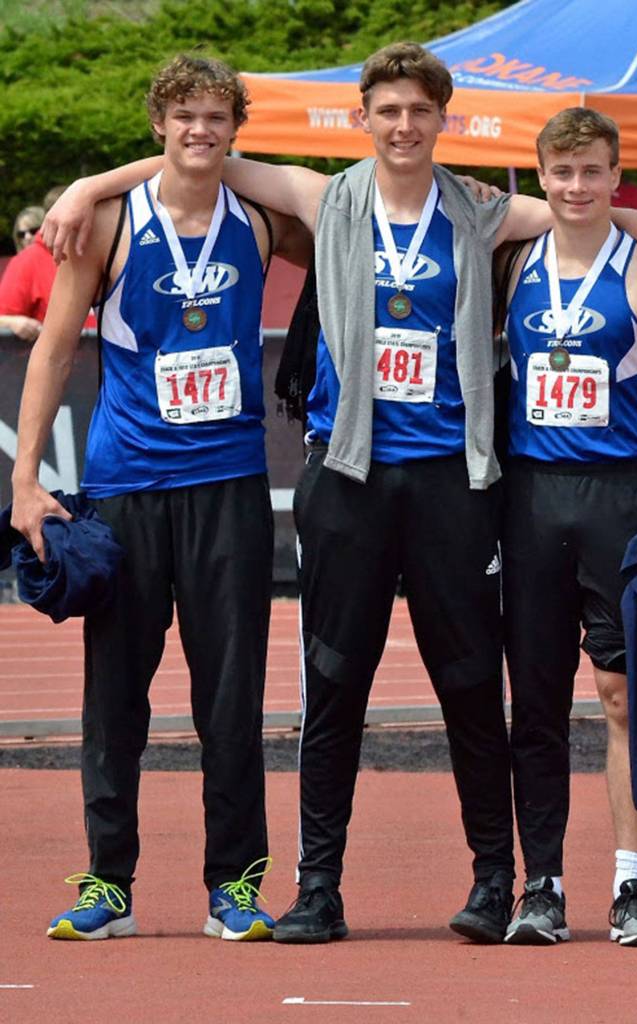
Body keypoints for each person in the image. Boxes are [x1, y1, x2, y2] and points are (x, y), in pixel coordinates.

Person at [43, 43, 637, 946]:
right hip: (347, 478)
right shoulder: (325, 199)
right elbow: (200, 155)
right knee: (334, 688)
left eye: (419, 112)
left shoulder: (480, 211)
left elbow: (587, 202)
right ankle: (318, 890)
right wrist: (87, 187)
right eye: (388, 111)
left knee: (471, 687)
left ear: (443, 121)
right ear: (363, 118)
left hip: (451, 482)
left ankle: (494, 883)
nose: (404, 126)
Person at [11, 53, 310, 942]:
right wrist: (24, 480)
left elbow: (344, 216)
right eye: (184, 116)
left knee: (231, 699)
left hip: (228, 487)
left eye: (216, 117)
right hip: (127, 487)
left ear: (235, 130)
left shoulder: (259, 220)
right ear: (158, 124)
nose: (199, 131)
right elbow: (54, 349)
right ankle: (109, 884)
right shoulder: (108, 222)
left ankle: (235, 889)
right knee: (115, 700)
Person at [497, 107, 637, 947]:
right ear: (541, 177)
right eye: (562, 171)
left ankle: (632, 884)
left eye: (592, 171)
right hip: (530, 499)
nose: (577, 186)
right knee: (537, 702)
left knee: (623, 696)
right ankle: (540, 886)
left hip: (622, 500)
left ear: (617, 177)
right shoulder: (512, 258)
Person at [0, 191, 95, 343]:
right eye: (21, 234)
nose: (28, 237)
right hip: (53, 355)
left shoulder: (100, 251)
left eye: (33, 230)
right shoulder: (26, 262)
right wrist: (12, 323)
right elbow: (3, 319)